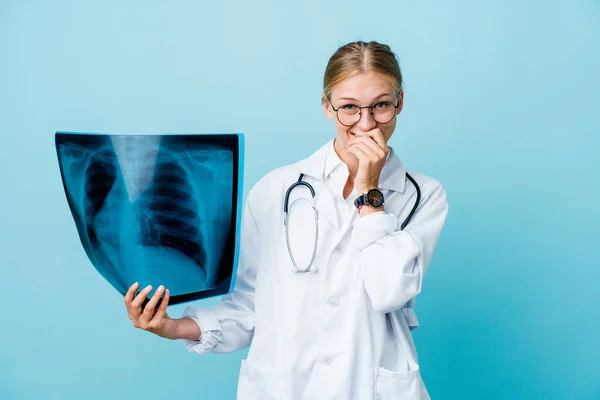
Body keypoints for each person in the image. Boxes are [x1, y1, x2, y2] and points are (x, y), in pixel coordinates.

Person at [124, 40, 449, 400]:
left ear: (400, 102)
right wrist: (173, 326)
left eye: (381, 105)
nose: (366, 122)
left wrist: (369, 190)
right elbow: (251, 306)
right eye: (349, 108)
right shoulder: (276, 190)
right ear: (327, 106)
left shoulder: (424, 196)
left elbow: (389, 292)